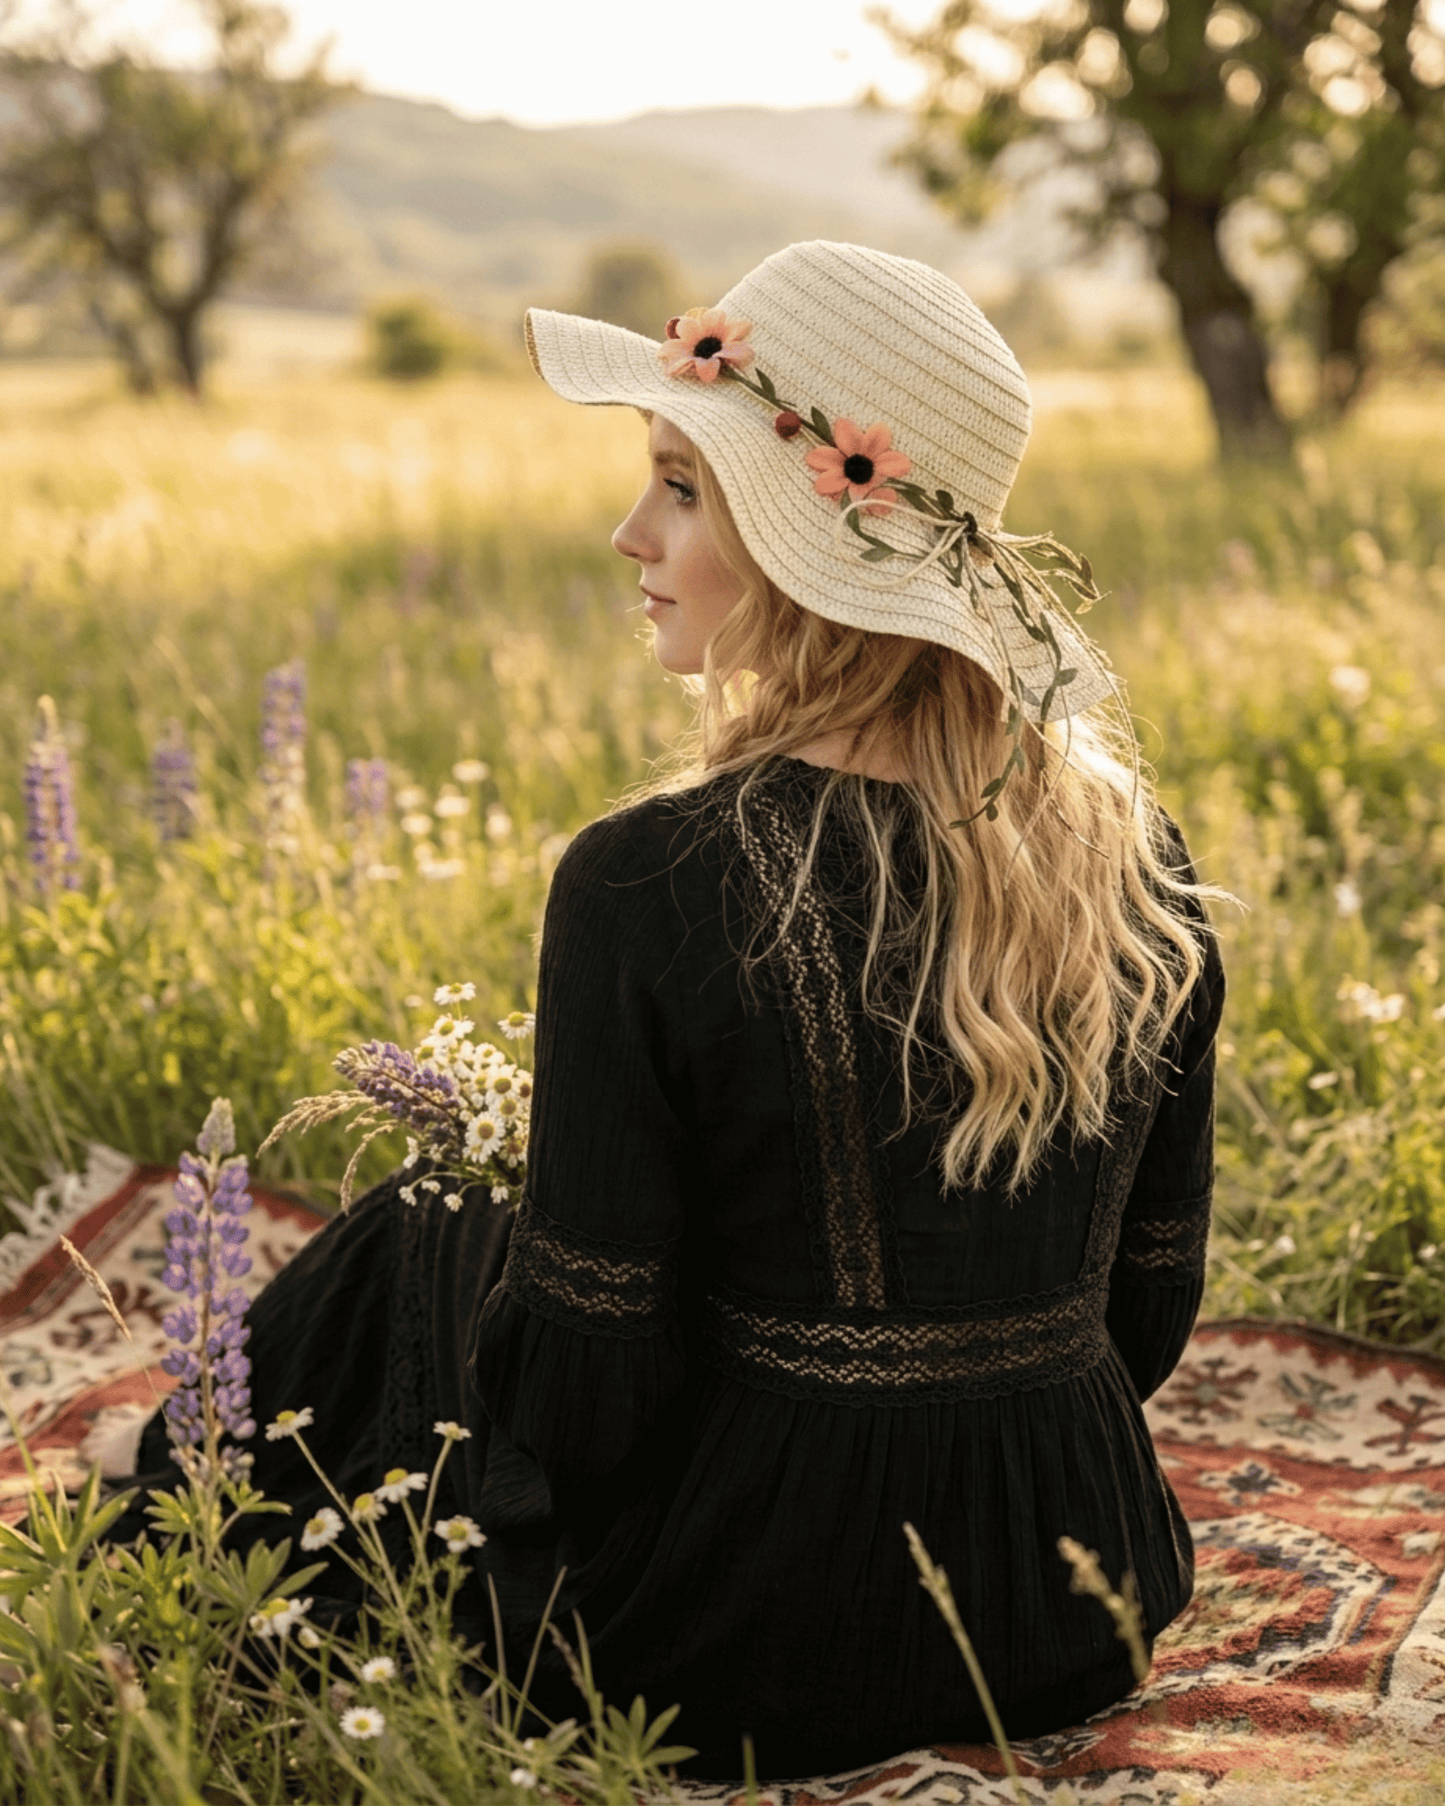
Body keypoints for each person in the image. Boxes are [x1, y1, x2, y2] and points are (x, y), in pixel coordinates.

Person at [128, 240, 1225, 1779]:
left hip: (732, 1642)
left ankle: (149, 1533)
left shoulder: (647, 882)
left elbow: (588, 1394)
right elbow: (1146, 1317)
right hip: (1080, 1599)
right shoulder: (1139, 859)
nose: (628, 532)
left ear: (804, 536)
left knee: (429, 1223)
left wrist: (522, 1264)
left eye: (684, 487)